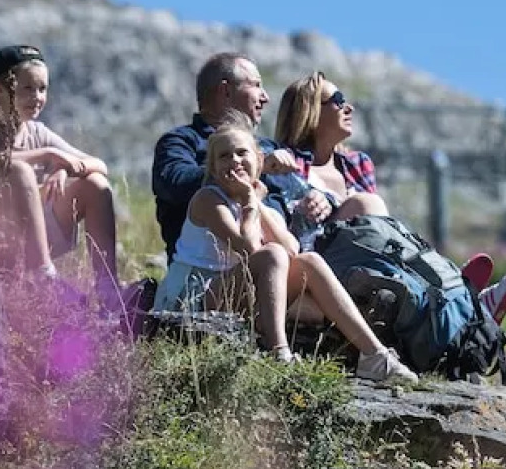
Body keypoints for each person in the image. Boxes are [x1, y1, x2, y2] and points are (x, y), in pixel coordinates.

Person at [153, 113, 419, 384]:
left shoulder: (262, 204)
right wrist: (248, 200)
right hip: (193, 296)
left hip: (233, 291)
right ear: (212, 167)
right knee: (271, 254)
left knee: (309, 261)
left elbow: (292, 250)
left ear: (259, 160)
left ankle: (374, 356)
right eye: (224, 156)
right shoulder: (209, 199)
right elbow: (248, 249)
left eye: (242, 153)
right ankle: (279, 352)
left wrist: (256, 203)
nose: (234, 161)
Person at [0, 45, 118, 295]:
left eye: (42, 89)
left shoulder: (38, 132)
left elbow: (100, 165)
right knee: (18, 170)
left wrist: (63, 168)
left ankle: (108, 290)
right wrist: (47, 155)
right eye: (27, 88)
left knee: (95, 184)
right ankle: (43, 277)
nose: (37, 97)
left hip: (19, 236)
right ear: (0, 89)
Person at [152, 52, 333, 262]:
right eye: (256, 85)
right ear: (226, 91)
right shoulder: (182, 142)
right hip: (222, 267)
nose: (265, 97)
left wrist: (321, 199)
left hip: (297, 253)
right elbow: (175, 184)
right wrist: (253, 168)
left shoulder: (265, 147)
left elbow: (304, 188)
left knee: (361, 208)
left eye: (242, 153)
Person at [273, 71, 390, 244]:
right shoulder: (284, 164)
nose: (349, 108)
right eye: (338, 100)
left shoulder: (358, 164)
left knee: (368, 203)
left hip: (365, 252)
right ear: (310, 111)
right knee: (365, 203)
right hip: (311, 254)